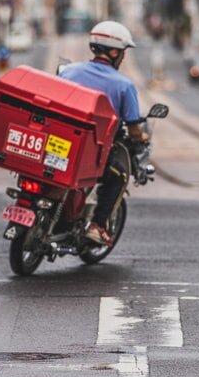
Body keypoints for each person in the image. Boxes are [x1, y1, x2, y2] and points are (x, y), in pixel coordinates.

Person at [58, 20, 147, 246]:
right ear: (115, 52)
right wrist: (141, 138)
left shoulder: (68, 71)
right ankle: (98, 226)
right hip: (90, 154)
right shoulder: (124, 85)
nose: (124, 58)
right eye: (123, 53)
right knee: (119, 176)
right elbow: (134, 128)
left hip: (59, 144)